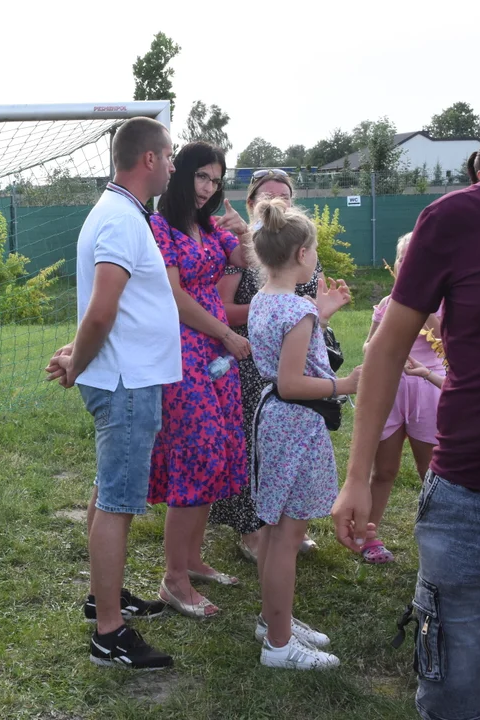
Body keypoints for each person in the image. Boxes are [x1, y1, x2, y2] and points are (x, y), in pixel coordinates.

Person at [332, 47, 480, 718]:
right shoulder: (453, 222)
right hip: (471, 511)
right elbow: (385, 352)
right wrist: (356, 477)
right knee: (455, 696)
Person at [44, 116, 179, 670]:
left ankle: (106, 597)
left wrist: (79, 353)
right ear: (148, 159)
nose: (173, 164)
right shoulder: (122, 220)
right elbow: (102, 310)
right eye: (169, 156)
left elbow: (108, 311)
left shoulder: (120, 213)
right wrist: (78, 357)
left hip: (125, 376)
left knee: (110, 491)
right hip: (125, 383)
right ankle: (108, 634)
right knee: (119, 505)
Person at [211, 169, 351, 562]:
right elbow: (223, 308)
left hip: (291, 354)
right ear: (251, 202)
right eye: (269, 195)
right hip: (260, 361)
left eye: (285, 194)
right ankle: (254, 531)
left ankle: (284, 524)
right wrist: (289, 318)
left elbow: (305, 302)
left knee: (283, 453)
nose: (279, 200)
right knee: (253, 447)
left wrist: (315, 315)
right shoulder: (245, 251)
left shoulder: (299, 247)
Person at [247, 197, 361, 670]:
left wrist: (323, 313)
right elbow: (294, 382)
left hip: (274, 422)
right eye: (313, 248)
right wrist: (346, 384)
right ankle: (278, 645)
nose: (316, 256)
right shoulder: (298, 311)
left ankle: (275, 618)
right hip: (295, 427)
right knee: (287, 537)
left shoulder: (265, 300)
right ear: (301, 255)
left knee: (275, 533)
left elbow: (286, 355)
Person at [145, 141, 252, 619]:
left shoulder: (209, 226)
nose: (209, 188)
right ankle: (173, 579)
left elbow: (250, 262)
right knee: (197, 456)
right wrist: (227, 333)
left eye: (216, 179)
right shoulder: (160, 227)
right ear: (180, 174)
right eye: (201, 177)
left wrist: (242, 230)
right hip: (187, 350)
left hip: (216, 354)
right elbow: (173, 297)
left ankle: (192, 559)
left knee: (216, 454)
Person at [358, 232, 445, 564]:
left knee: (433, 472)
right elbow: (368, 346)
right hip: (392, 390)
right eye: (402, 258)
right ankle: (368, 536)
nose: (408, 265)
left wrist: (426, 309)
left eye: (415, 259)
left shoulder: (442, 304)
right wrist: (383, 350)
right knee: (384, 470)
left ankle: (439, 536)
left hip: (429, 389)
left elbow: (444, 344)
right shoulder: (386, 305)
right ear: (394, 265)